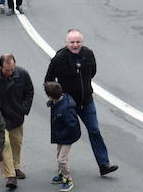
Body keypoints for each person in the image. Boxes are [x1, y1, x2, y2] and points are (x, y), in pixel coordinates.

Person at [44, 29, 117, 176]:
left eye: (78, 42)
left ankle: (104, 165)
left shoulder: (88, 54)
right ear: (67, 43)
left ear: (82, 42)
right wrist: (56, 98)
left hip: (86, 102)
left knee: (94, 130)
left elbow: (92, 72)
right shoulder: (59, 59)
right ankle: (62, 169)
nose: (75, 45)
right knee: (64, 135)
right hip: (67, 105)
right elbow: (48, 80)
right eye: (72, 42)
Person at [0, 54, 33, 190]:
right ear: (1, 67)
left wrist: (24, 109)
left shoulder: (22, 74)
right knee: (4, 143)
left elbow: (29, 91)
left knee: (16, 143)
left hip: (16, 115)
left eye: (12, 69)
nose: (10, 72)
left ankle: (16, 167)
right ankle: (10, 175)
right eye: (7, 70)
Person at [46, 81, 79, 192]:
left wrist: (62, 135)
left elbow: (72, 126)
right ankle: (61, 174)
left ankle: (67, 179)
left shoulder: (65, 109)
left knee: (62, 159)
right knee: (59, 154)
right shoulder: (58, 102)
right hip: (61, 134)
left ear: (50, 96)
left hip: (67, 136)